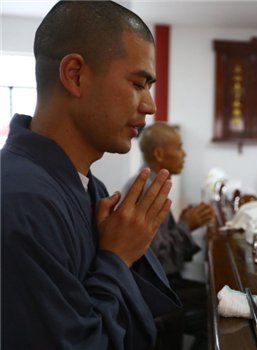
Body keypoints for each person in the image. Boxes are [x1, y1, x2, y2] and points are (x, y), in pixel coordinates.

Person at [1, 2, 181, 349]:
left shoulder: (85, 184)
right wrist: (116, 258)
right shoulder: (21, 202)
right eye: (138, 83)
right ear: (75, 75)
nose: (150, 105)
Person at [123, 123, 215, 350]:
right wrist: (186, 225)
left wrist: (185, 224)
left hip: (159, 282)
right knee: (216, 310)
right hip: (151, 289)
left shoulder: (153, 183)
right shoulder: (147, 189)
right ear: (159, 154)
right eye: (180, 148)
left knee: (215, 291)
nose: (184, 154)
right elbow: (154, 257)